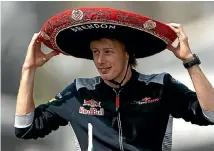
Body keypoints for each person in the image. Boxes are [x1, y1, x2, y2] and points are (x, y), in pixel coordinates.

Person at [14, 8, 214, 151]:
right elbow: (25, 128)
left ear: (127, 53)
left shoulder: (161, 86)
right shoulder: (79, 91)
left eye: (108, 52)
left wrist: (189, 60)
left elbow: (210, 115)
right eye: (95, 52)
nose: (100, 60)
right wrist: (28, 69)